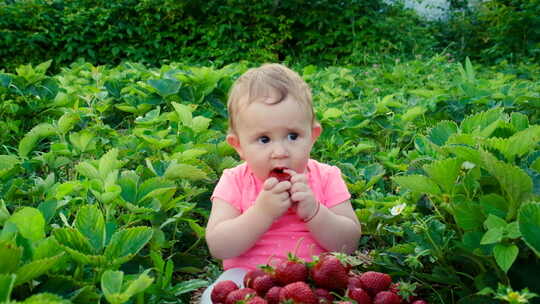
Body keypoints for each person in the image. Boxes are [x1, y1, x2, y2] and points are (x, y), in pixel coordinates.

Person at [201, 63, 361, 303]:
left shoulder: (327, 177)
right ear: (239, 146)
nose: (280, 151)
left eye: (293, 136)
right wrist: (262, 213)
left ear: (312, 136)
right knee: (212, 297)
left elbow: (348, 243)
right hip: (249, 282)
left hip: (314, 281)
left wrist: (315, 211)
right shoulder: (234, 181)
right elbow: (220, 246)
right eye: (264, 139)